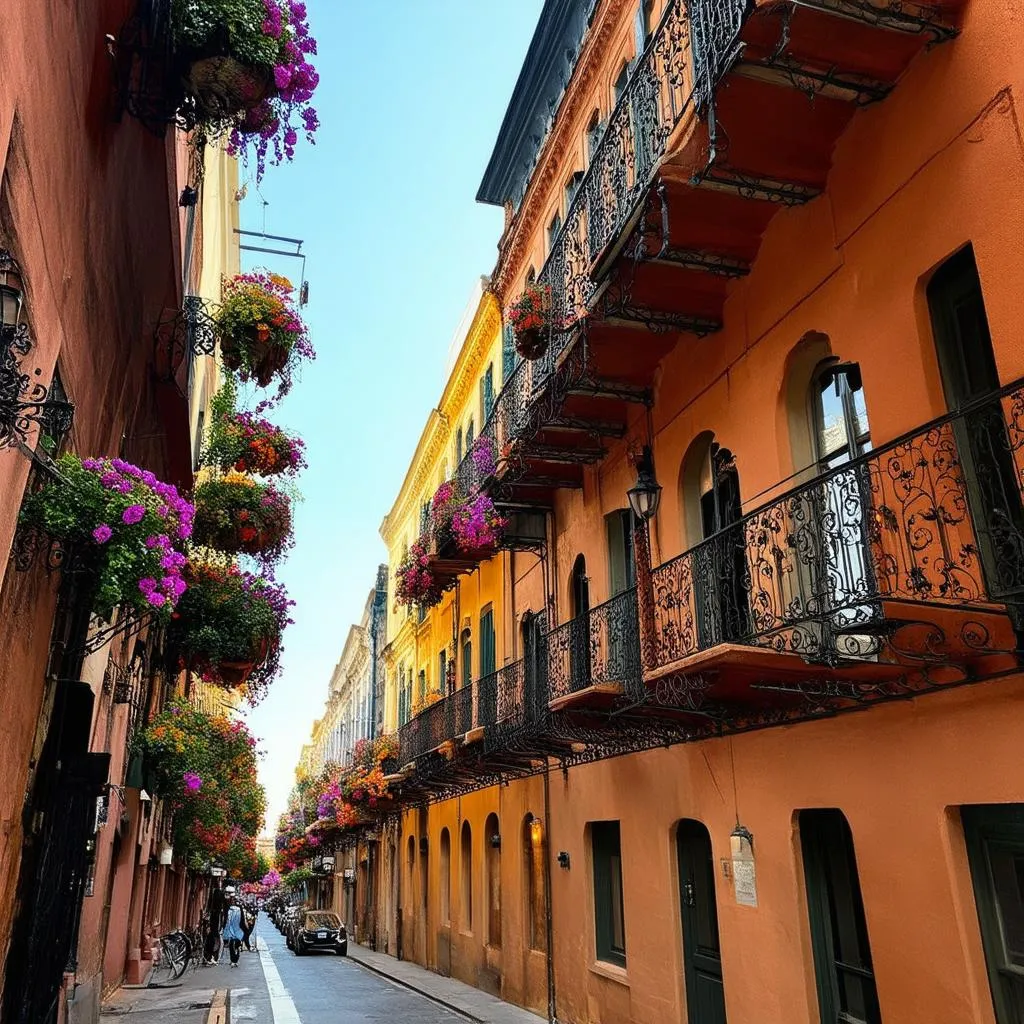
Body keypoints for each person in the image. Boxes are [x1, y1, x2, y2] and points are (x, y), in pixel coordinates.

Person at [204, 881, 227, 965]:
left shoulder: (213, 894)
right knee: (216, 940)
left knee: (211, 939)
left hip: (212, 924)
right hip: (216, 926)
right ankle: (212, 957)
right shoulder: (219, 911)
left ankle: (209, 957)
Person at [222, 894, 245, 967]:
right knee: (233, 945)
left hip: (235, 928)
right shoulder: (229, 908)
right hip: (233, 928)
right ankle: (234, 960)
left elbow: (242, 918)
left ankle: (234, 960)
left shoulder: (236, 908)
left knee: (235, 945)